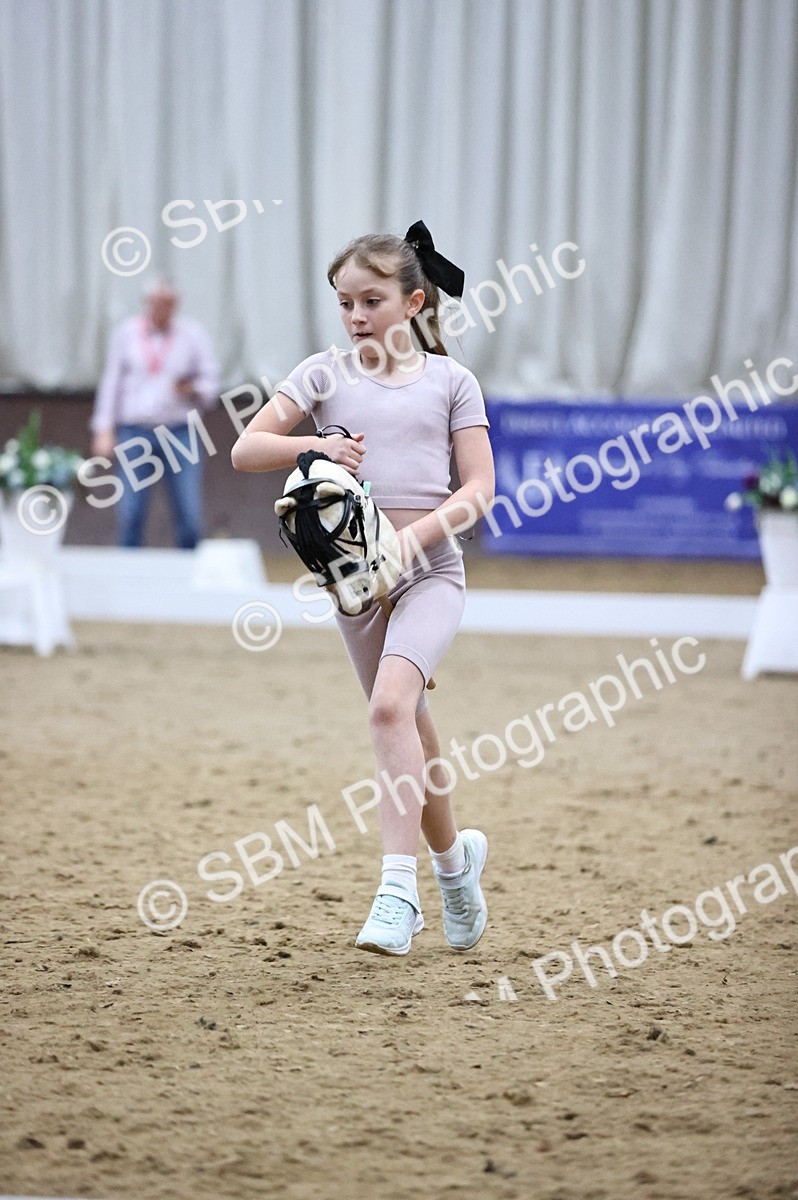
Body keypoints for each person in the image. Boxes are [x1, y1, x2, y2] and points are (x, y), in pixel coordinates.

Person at [231, 221, 495, 957]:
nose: (354, 316)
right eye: (344, 302)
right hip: (352, 582)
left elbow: (479, 489)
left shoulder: (451, 381)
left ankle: (397, 892)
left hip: (430, 572)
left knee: (387, 709)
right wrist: (314, 444)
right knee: (410, 724)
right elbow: (247, 447)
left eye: (370, 301)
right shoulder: (323, 373)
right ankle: (454, 870)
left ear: (413, 302)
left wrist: (412, 540)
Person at [90, 279, 220, 549]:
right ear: (146, 303)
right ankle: (128, 576)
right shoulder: (126, 333)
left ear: (176, 304)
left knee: (189, 512)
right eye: (158, 303)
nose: (163, 309)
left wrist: (192, 389)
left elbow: (212, 385)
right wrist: (104, 428)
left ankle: (190, 576)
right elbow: (111, 381)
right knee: (130, 512)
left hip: (179, 431)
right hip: (134, 430)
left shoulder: (192, 334)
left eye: (169, 303)